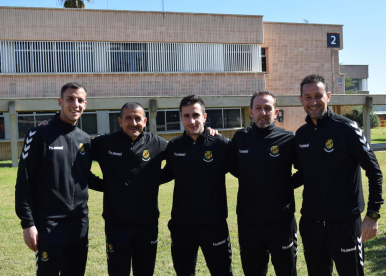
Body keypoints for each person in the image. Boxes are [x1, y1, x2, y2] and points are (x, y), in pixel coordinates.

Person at [295, 74, 384, 276]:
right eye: (307, 97)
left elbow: (374, 171)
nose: (313, 101)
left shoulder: (347, 128)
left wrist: (372, 215)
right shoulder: (301, 134)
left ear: (328, 96)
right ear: (300, 100)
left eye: (318, 95)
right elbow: (304, 173)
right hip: (311, 224)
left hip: (345, 224)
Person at [15, 82, 93, 275]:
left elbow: (85, 176)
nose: (75, 104)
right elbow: (24, 182)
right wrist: (28, 223)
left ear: (85, 104)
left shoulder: (84, 138)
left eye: (80, 100)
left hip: (79, 223)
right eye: (70, 99)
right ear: (60, 102)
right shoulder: (39, 134)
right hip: (49, 223)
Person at [90, 102, 168, 276]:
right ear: (120, 121)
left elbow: (177, 161)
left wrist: (151, 181)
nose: (133, 123)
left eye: (138, 118)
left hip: (147, 224)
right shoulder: (104, 143)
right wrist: (107, 186)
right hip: (116, 224)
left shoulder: (158, 144)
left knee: (145, 272)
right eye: (128, 118)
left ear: (145, 121)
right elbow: (76, 156)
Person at [161, 95, 234, 276]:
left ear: (205, 116)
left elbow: (243, 171)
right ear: (181, 118)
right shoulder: (174, 146)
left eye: (196, 115)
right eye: (186, 116)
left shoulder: (221, 144)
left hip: (214, 226)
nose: (191, 120)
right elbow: (162, 175)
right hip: (182, 227)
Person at [231, 89, 300, 276]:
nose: (263, 113)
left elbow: (304, 171)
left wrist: (283, 185)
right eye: (258, 108)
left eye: (268, 108)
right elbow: (231, 166)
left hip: (281, 221)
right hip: (248, 222)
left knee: (287, 271)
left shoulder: (288, 139)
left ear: (276, 112)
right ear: (250, 112)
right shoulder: (240, 138)